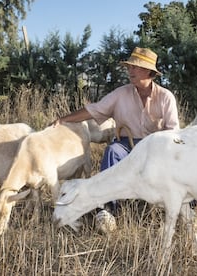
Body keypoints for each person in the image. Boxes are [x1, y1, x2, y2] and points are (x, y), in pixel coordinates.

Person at [52, 47, 180, 213]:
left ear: (148, 72)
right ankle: (107, 208)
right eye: (129, 67)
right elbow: (94, 110)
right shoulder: (121, 94)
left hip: (154, 147)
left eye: (135, 67)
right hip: (126, 145)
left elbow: (173, 133)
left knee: (177, 163)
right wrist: (63, 119)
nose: (130, 70)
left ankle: (178, 204)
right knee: (112, 150)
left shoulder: (165, 97)